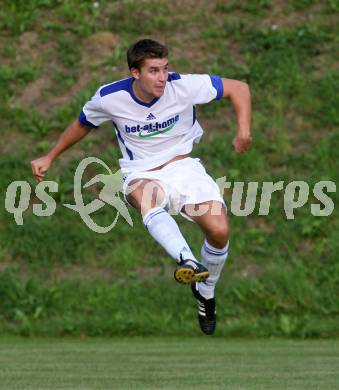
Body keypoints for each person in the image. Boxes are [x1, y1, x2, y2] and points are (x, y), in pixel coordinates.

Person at [31, 39, 252, 335]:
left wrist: (243, 132)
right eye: (153, 71)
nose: (162, 77)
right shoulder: (110, 97)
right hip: (141, 171)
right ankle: (187, 259)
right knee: (144, 195)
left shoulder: (183, 86)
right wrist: (51, 155)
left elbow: (239, 88)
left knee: (220, 230)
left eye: (164, 68)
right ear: (135, 73)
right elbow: (83, 123)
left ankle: (206, 291)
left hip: (184, 168)